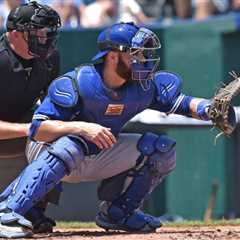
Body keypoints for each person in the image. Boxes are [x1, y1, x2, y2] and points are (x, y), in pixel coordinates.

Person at [0, 22, 211, 238]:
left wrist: (210, 109)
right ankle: (7, 211)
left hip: (97, 151)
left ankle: (119, 213)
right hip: (50, 150)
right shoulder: (78, 83)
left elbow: (182, 103)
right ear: (112, 56)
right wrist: (82, 128)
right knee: (71, 145)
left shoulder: (142, 86)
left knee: (161, 149)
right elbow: (38, 129)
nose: (143, 61)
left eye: (143, 55)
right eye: (135, 55)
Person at [0, 0, 61, 235]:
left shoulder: (50, 58)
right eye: (36, 33)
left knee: (60, 134)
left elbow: (53, 105)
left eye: (46, 32)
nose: (43, 38)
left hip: (20, 127)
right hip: (14, 129)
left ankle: (31, 208)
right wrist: (29, 130)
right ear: (14, 35)